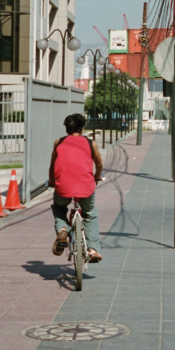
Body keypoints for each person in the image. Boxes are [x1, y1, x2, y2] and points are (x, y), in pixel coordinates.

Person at [49, 113, 104, 263]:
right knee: (90, 213)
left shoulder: (58, 142)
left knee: (59, 208)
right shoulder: (90, 143)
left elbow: (53, 165)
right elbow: (99, 164)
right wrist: (97, 177)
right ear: (82, 128)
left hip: (63, 187)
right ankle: (92, 249)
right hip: (86, 187)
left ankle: (63, 230)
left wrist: (52, 182)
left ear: (66, 128)